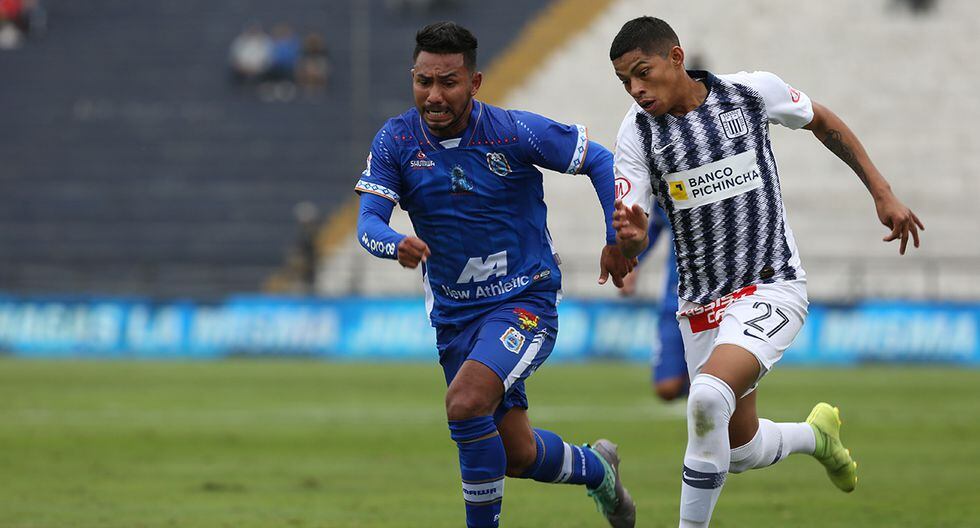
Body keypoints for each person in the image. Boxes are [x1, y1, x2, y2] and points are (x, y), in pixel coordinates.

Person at [608, 17, 923, 527]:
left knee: (705, 398)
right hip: (701, 305)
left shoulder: (750, 94)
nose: (636, 89)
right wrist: (630, 239)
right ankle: (816, 437)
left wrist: (881, 192)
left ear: (675, 58)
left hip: (772, 285)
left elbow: (822, 120)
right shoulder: (636, 132)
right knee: (738, 449)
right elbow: (636, 230)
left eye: (642, 73)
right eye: (625, 81)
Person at [354, 22, 636, 528]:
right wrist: (394, 242)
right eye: (423, 81)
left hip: (524, 299)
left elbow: (598, 159)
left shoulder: (513, 131)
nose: (434, 95)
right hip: (455, 318)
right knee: (517, 455)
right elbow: (368, 223)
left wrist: (614, 238)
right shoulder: (396, 140)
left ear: (475, 82)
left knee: (465, 404)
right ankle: (598, 469)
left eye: (448, 82)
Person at [619, 203, 688, 401]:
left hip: (717, 298)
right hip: (675, 296)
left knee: (714, 379)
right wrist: (633, 262)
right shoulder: (665, 194)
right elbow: (655, 227)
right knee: (666, 388)